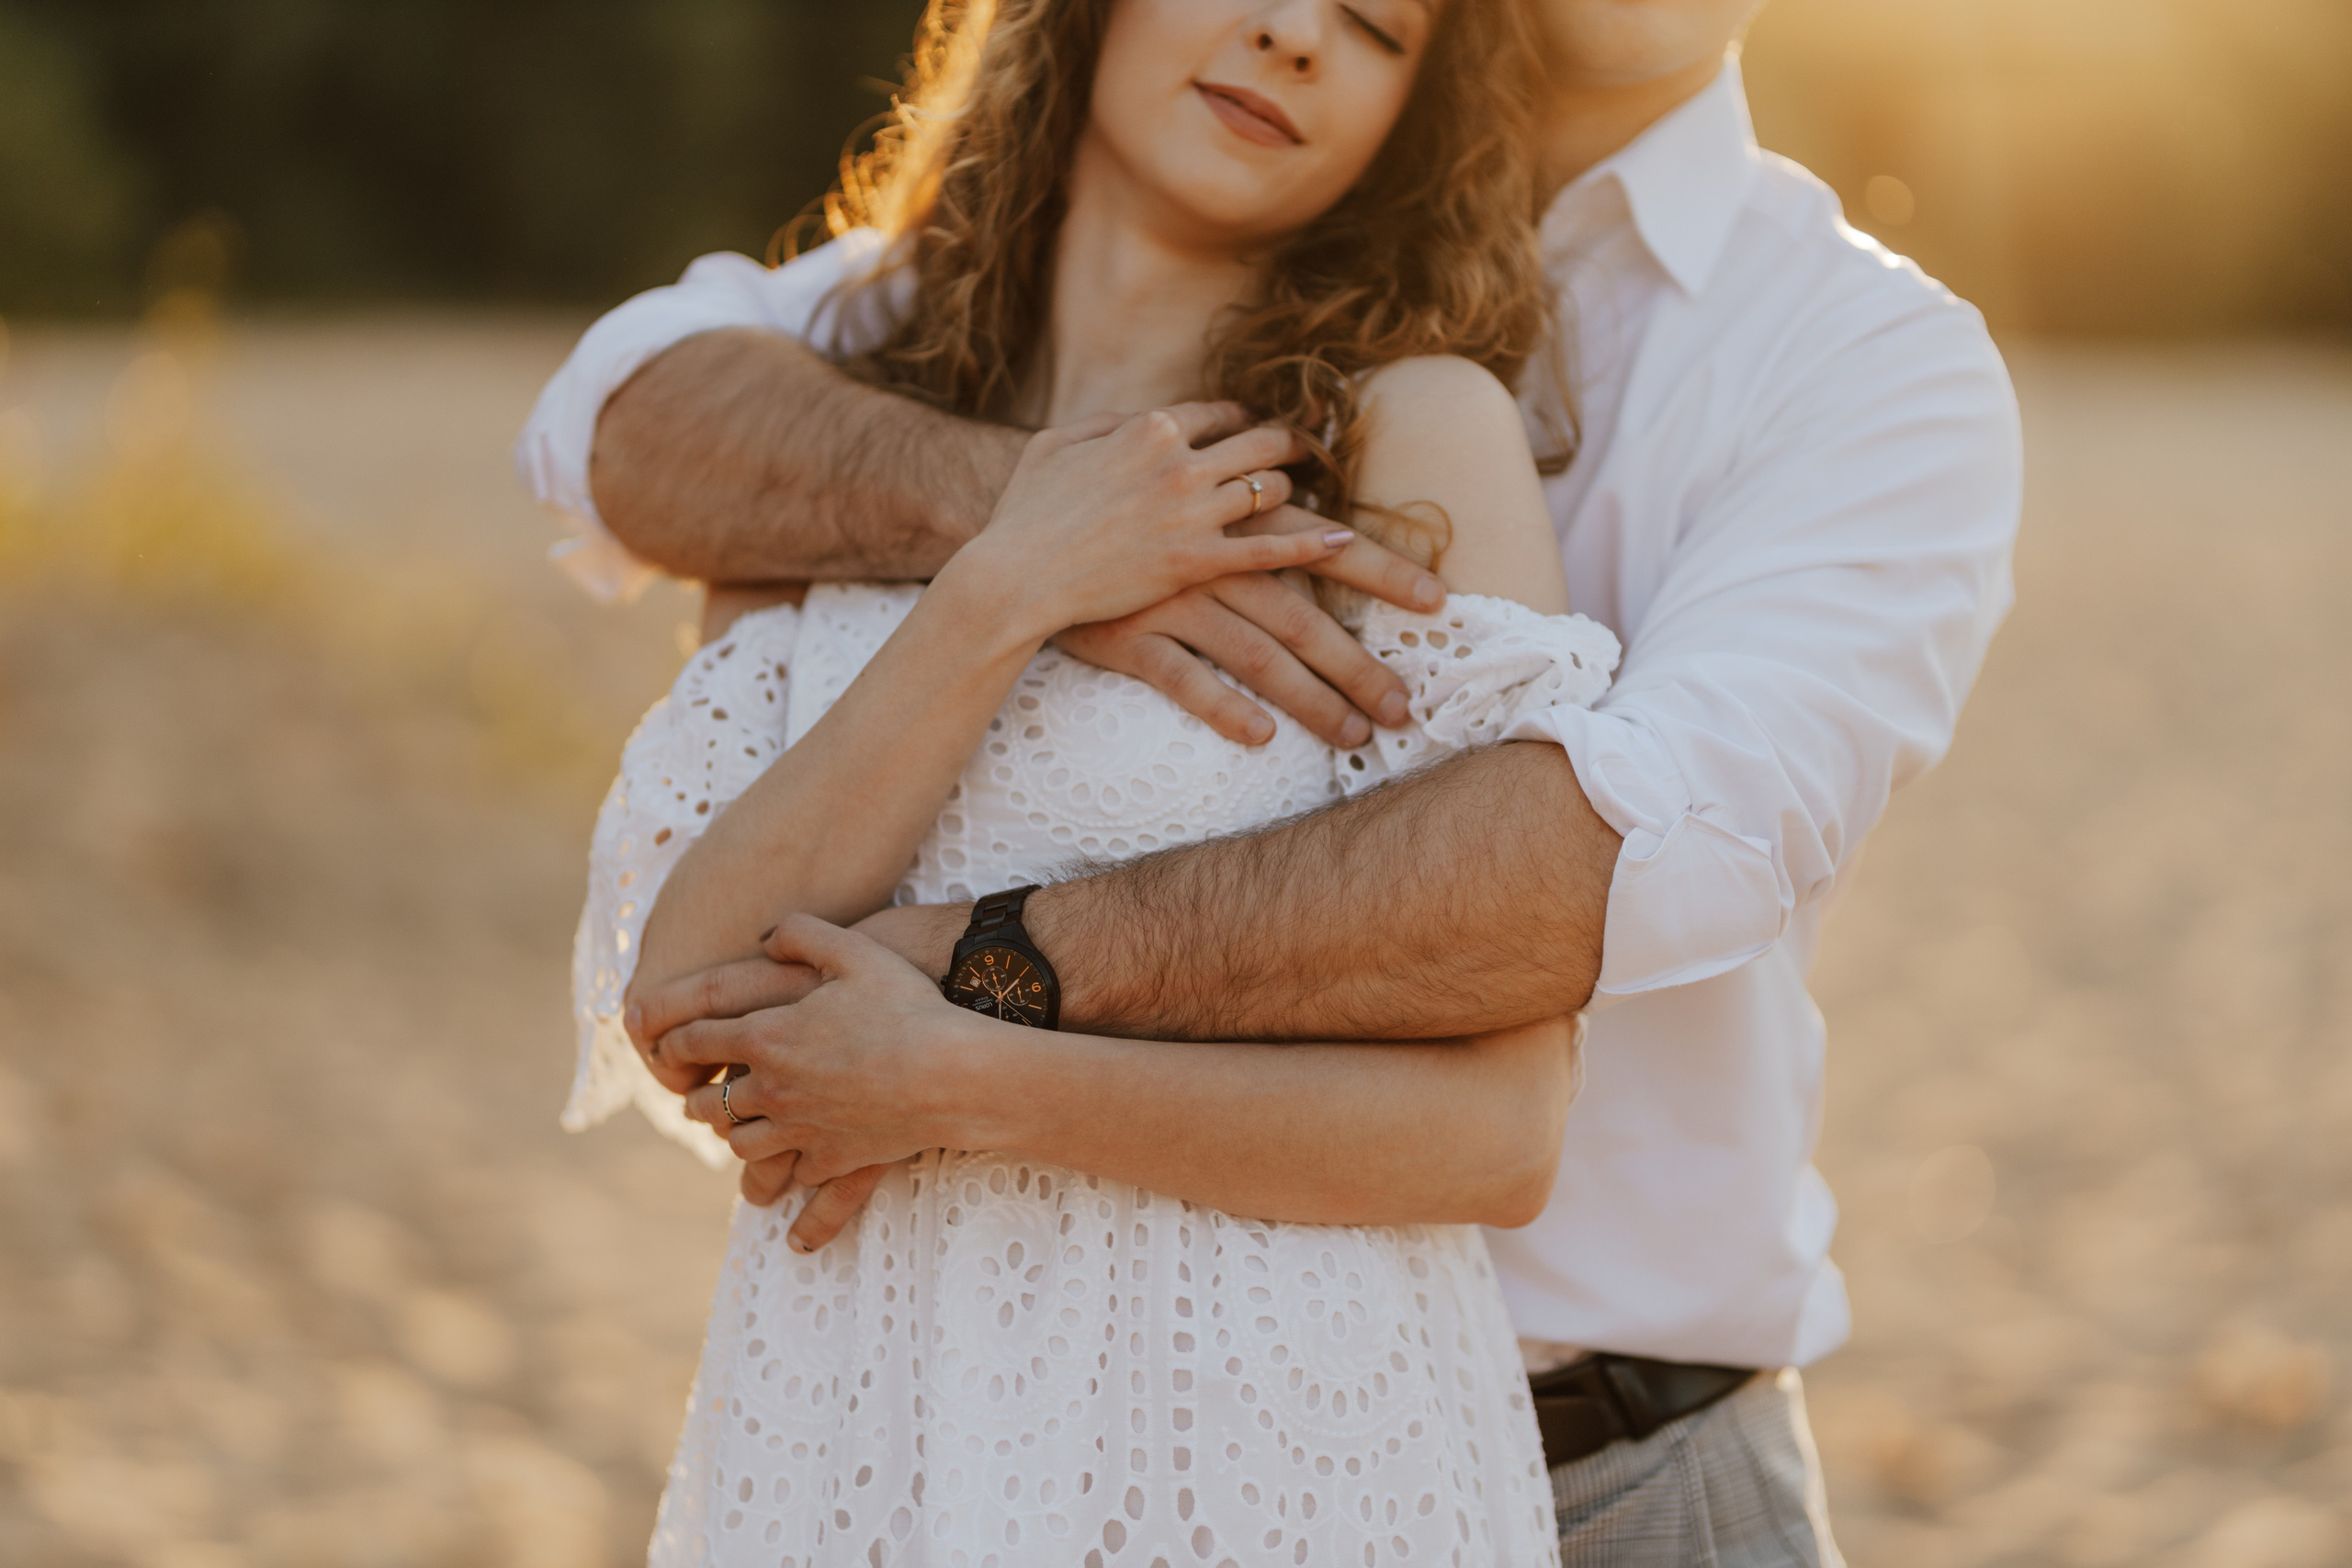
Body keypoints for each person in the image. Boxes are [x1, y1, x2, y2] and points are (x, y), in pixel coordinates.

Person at [521, 0, 2025, 1561]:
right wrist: (1027, 546)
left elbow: (1615, 855)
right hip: (905, 1426)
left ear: (1416, 106)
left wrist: (965, 1005)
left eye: (1375, 23)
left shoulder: (1843, 358)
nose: (1298, 36)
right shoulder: (922, 333)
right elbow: (624, 415)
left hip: (1554, 1459)